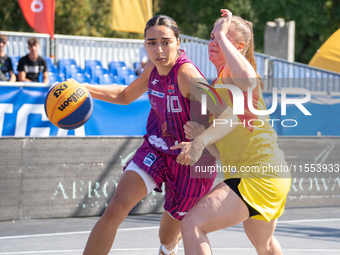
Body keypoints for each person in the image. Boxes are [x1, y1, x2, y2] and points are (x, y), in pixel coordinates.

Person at [79, 15, 234, 255]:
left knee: (168, 236)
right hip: (156, 148)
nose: (158, 49)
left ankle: (169, 249)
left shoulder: (187, 75)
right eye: (151, 42)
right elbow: (124, 95)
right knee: (116, 208)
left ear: (178, 43)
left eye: (165, 41)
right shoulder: (152, 68)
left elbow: (229, 116)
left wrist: (200, 141)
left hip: (190, 161)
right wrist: (83, 88)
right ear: (144, 45)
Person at [172, 9, 291, 255]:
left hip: (259, 174)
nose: (213, 42)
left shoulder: (237, 77)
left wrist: (223, 35)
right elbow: (220, 150)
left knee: (193, 224)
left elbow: (247, 79)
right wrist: (203, 137)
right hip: (268, 175)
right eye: (212, 37)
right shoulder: (218, 86)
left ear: (239, 46)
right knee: (265, 246)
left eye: (221, 36)